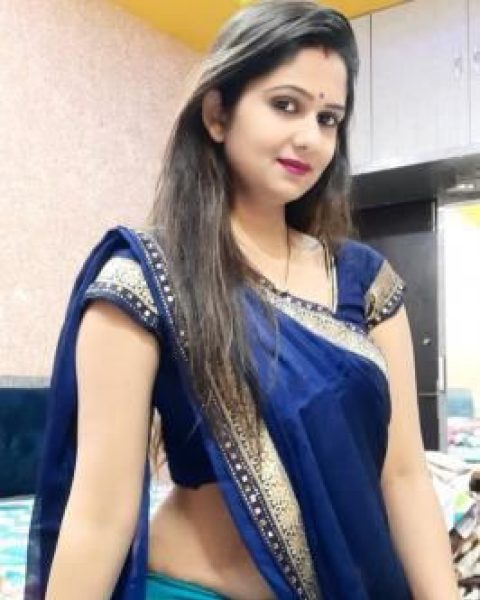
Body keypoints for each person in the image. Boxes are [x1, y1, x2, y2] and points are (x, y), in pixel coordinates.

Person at [24, 1, 459, 598]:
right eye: (286, 105)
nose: (310, 138)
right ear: (217, 114)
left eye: (328, 119)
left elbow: (404, 476)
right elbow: (101, 514)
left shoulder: (364, 282)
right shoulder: (147, 278)